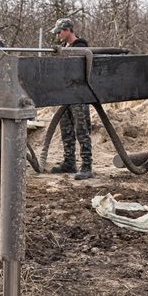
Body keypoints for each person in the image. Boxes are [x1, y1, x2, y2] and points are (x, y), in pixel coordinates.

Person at [49, 17, 94, 180]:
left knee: (82, 130)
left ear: (68, 30)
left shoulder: (80, 47)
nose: (58, 35)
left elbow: (77, 69)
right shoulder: (63, 47)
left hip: (78, 95)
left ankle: (87, 166)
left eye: (59, 32)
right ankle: (69, 162)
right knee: (66, 130)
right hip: (64, 94)